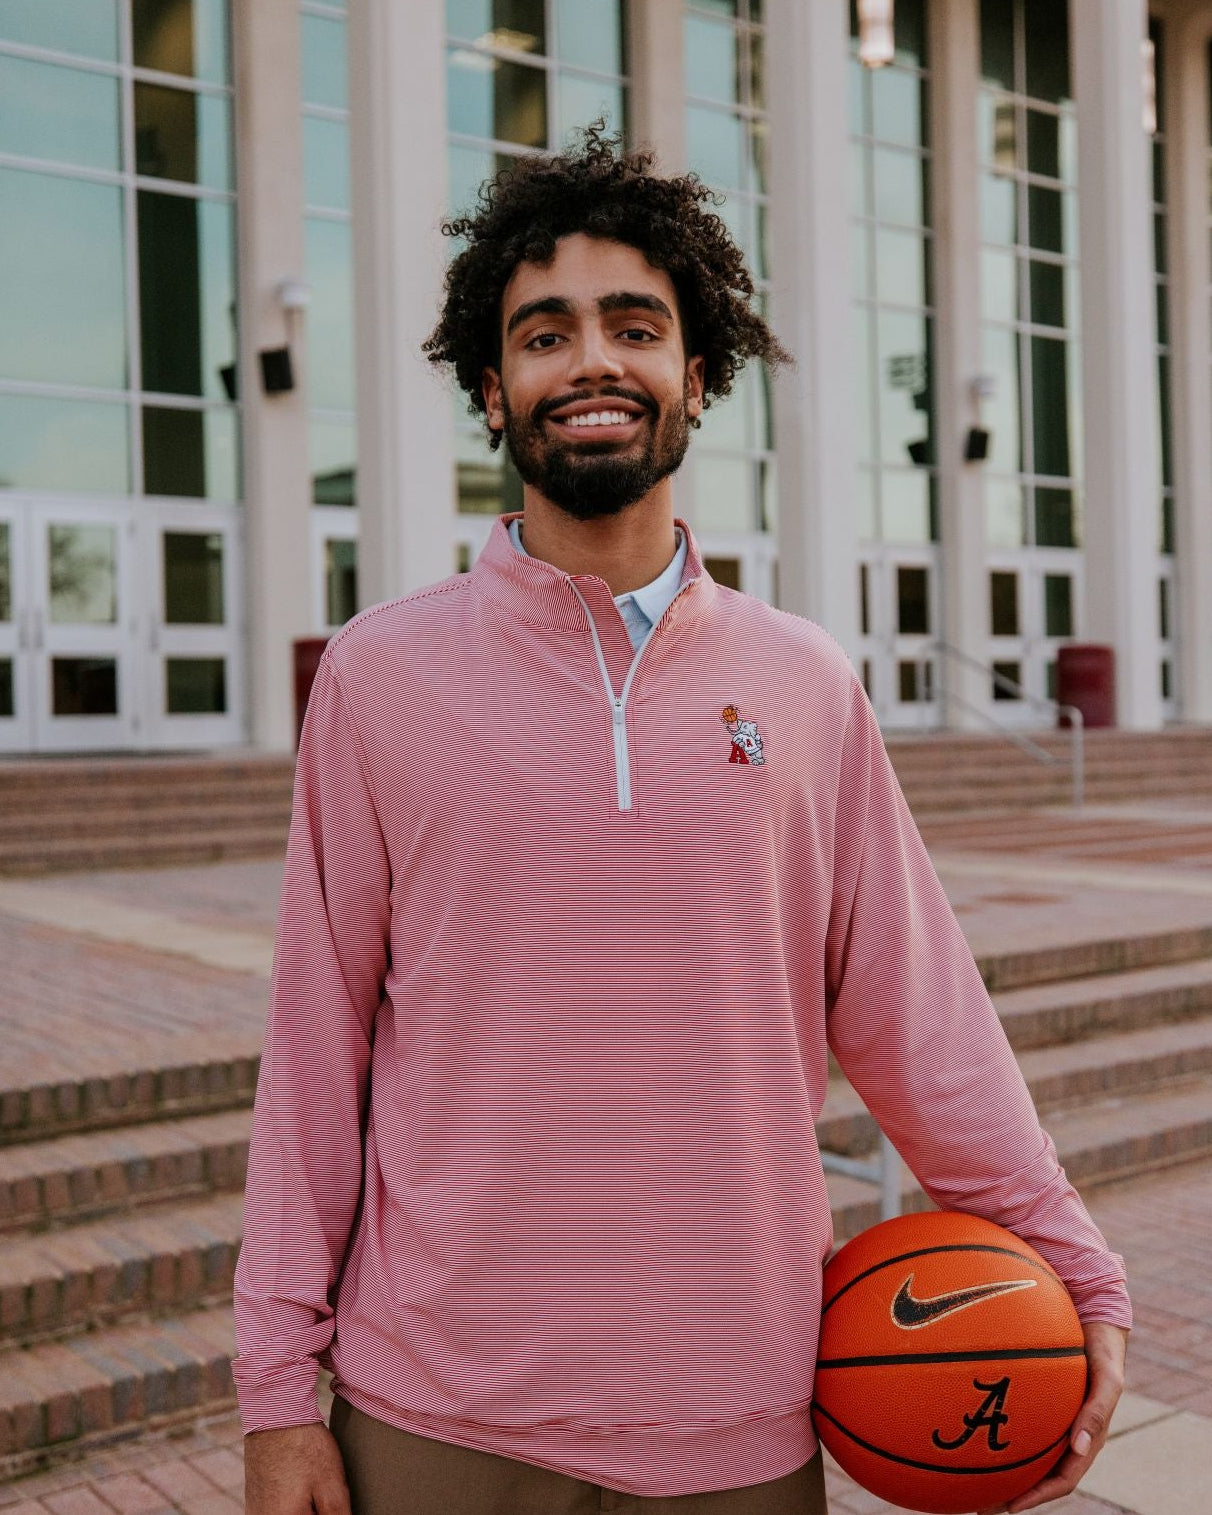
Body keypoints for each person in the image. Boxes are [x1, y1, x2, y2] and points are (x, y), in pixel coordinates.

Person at [234, 125, 1130, 1515]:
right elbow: (312, 1056)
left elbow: (923, 1021)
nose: (590, 361)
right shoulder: (377, 678)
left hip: (740, 1419)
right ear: (491, 389)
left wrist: (1070, 1262)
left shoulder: (809, 685)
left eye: (634, 326)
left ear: (697, 376)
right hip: (436, 1418)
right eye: (543, 334)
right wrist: (274, 1391)